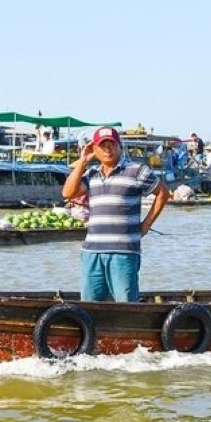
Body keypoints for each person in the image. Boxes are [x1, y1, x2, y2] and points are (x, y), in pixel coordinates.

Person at [62, 126, 170, 302]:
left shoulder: (137, 171)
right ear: (95, 149)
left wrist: (146, 225)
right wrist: (82, 161)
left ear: (119, 146)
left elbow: (163, 193)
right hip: (92, 252)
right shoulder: (91, 174)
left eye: (111, 144)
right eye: (102, 145)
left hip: (123, 252)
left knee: (125, 305)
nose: (107, 149)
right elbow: (67, 193)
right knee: (89, 306)